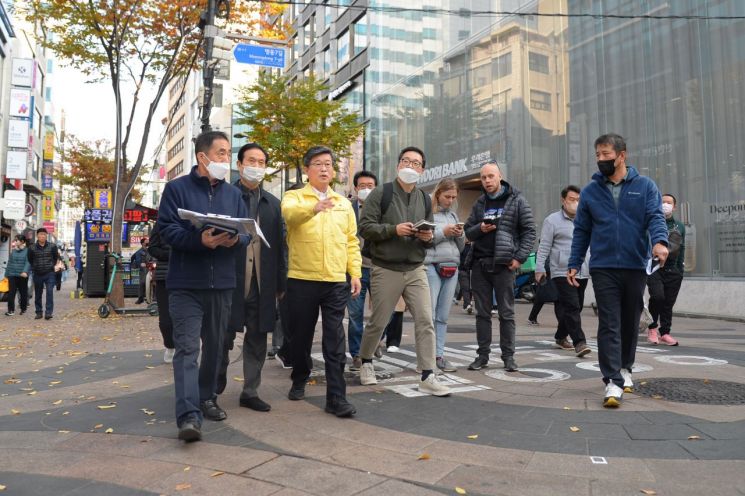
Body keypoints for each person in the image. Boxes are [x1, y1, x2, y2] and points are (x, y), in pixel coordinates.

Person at [158, 130, 249, 442]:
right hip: (185, 284)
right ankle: (188, 417)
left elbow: (247, 232)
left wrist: (237, 237)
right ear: (202, 157)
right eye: (221, 153)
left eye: (227, 153)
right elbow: (167, 231)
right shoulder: (176, 189)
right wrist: (199, 240)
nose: (226, 159)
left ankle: (206, 396)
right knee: (186, 349)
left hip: (222, 284)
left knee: (215, 347)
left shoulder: (233, 195)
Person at [568, 133, 668, 408]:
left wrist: (660, 242)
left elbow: (655, 217)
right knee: (609, 322)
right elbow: (582, 231)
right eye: (597, 155)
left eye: (606, 155)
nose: (600, 160)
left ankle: (625, 368)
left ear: (621, 155)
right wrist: (574, 262)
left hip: (635, 265)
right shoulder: (590, 191)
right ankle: (612, 379)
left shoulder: (645, 186)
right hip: (603, 267)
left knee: (629, 321)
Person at [358, 146, 451, 396]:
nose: (411, 166)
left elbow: (429, 238)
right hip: (385, 267)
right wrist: (393, 230)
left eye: (416, 163)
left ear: (423, 169)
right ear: (398, 165)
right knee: (379, 320)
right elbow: (365, 227)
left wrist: (426, 235)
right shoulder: (382, 192)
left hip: (415, 267)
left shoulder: (423, 198)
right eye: (406, 161)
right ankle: (366, 361)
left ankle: (428, 374)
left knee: (425, 319)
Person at [281, 146, 362, 417]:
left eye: (328, 164)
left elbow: (351, 240)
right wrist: (314, 208)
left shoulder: (343, 204)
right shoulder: (293, 197)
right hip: (302, 278)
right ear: (307, 170)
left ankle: (336, 398)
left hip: (335, 280)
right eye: (318, 164)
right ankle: (300, 376)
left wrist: (356, 273)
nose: (325, 168)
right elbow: (290, 217)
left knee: (334, 339)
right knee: (300, 336)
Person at [218, 142, 287, 413]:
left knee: (258, 337)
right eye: (251, 161)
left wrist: (280, 283)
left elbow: (280, 246)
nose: (256, 166)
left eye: (261, 162)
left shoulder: (273, 203)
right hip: (230, 280)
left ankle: (250, 390)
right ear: (239, 164)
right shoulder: (225, 196)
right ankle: (213, 388)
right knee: (222, 337)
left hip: (262, 281)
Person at [464, 161, 536, 372]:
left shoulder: (517, 200)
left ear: (500, 176)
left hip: (505, 265)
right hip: (480, 264)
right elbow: (468, 231)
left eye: (491, 176)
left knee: (506, 313)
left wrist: (519, 258)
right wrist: (480, 228)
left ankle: (508, 357)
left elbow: (529, 231)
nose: (487, 181)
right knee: (482, 314)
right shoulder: (479, 203)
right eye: (484, 177)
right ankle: (482, 356)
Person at [535, 185, 591, 357]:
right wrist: (539, 268)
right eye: (571, 200)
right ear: (563, 200)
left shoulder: (586, 219)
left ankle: (560, 337)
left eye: (578, 200)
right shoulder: (552, 220)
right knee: (572, 305)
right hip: (561, 270)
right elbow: (544, 245)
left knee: (577, 306)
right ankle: (580, 342)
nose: (575, 203)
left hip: (582, 269)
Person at [424, 178, 465, 373]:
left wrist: (459, 234)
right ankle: (427, 357)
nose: (450, 200)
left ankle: (439, 355)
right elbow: (424, 241)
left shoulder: (454, 215)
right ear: (438, 193)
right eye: (447, 196)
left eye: (453, 197)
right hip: (432, 266)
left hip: (452, 266)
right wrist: (443, 231)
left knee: (443, 316)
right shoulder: (427, 213)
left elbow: (461, 247)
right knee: (429, 315)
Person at [347, 170, 378, 371]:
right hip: (355, 270)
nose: (366, 189)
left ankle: (376, 341)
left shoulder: (383, 208)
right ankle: (357, 353)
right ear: (356, 188)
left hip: (379, 266)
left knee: (386, 311)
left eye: (370, 186)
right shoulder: (347, 208)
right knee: (355, 314)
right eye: (362, 186)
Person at [646, 193, 685, 346]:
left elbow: (682, 248)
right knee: (657, 297)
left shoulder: (679, 226)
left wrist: (680, 269)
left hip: (673, 271)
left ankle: (665, 332)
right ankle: (652, 328)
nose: (665, 205)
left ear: (674, 207)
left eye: (669, 202)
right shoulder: (651, 223)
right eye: (662, 202)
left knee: (668, 302)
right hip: (655, 268)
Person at [147, 221, 174, 363]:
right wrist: (171, 254)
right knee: (165, 319)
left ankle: (184, 347)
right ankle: (170, 345)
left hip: (189, 276)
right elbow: (152, 248)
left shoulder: (190, 218)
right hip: (164, 276)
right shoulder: (161, 223)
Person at [27, 228, 61, 320]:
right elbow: (30, 259)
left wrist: (51, 266)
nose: (42, 236)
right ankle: (39, 312)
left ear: (46, 236)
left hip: (49, 273)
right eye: (40, 234)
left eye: (44, 235)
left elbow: (55, 258)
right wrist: (35, 267)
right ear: (37, 236)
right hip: (37, 273)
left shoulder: (52, 246)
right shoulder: (32, 247)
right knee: (38, 294)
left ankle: (48, 313)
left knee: (49, 292)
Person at [5, 235, 30, 316]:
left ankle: (23, 308)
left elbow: (28, 262)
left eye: (17, 240)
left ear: (22, 241)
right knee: (11, 293)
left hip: (22, 275)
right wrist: (6, 274)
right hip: (12, 274)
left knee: (23, 292)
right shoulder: (13, 251)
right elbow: (9, 263)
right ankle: (11, 310)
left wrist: (25, 272)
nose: (15, 242)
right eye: (15, 240)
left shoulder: (27, 251)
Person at [131, 238, 151, 304]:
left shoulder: (150, 250)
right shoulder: (139, 252)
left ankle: (152, 298)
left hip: (151, 268)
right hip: (144, 270)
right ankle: (141, 298)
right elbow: (136, 260)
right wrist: (140, 264)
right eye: (146, 242)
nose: (148, 243)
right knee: (142, 283)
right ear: (142, 243)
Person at [457, 241, 473, 314]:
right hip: (462, 270)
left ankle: (467, 304)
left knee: (470, 289)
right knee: (465, 288)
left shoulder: (473, 246)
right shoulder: (460, 247)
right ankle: (468, 305)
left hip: (471, 270)